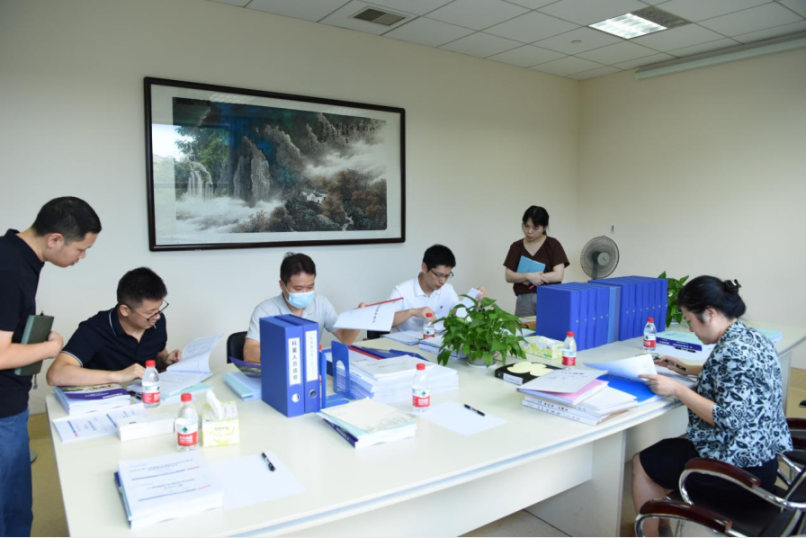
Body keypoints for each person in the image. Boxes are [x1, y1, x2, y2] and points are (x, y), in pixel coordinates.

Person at [632, 277, 792, 538]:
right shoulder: (752, 337)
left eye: (690, 320)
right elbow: (734, 379)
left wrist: (677, 389)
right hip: (762, 458)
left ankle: (652, 533)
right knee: (665, 454)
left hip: (738, 471)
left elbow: (729, 418)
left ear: (709, 313)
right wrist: (685, 368)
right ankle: (662, 528)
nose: (690, 328)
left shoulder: (732, 352)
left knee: (644, 462)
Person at [0, 197, 101, 537]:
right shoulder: (10, 270)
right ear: (55, 239)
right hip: (2, 408)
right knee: (10, 504)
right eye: (81, 249)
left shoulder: (13, 252)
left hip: (10, 402)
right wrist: (51, 347)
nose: (82, 257)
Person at [46, 268, 182, 387]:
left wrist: (165, 360)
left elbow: (156, 354)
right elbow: (55, 375)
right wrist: (118, 376)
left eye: (159, 309)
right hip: (105, 401)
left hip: (147, 395)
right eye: (149, 312)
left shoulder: (156, 321)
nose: (157, 316)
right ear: (125, 310)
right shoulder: (95, 329)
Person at [243, 253, 363, 364]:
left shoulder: (320, 303)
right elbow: (249, 352)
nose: (305, 293)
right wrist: (288, 357)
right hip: (279, 369)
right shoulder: (265, 310)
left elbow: (345, 338)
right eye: (298, 288)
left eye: (310, 287)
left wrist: (359, 319)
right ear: (282, 285)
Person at [389, 244, 486, 333]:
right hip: (408, 344)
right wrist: (413, 312)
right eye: (438, 275)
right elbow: (385, 322)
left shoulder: (448, 289)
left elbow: (458, 312)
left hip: (440, 342)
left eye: (447, 276)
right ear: (424, 267)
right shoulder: (402, 291)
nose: (442, 281)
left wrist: (475, 300)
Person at [504, 206, 570, 318]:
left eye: (535, 228)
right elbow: (508, 276)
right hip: (524, 300)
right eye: (526, 226)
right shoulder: (516, 246)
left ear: (544, 227)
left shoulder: (553, 245)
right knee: (524, 328)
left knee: (549, 327)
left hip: (549, 297)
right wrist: (528, 276)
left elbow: (558, 275)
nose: (529, 231)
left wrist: (534, 277)